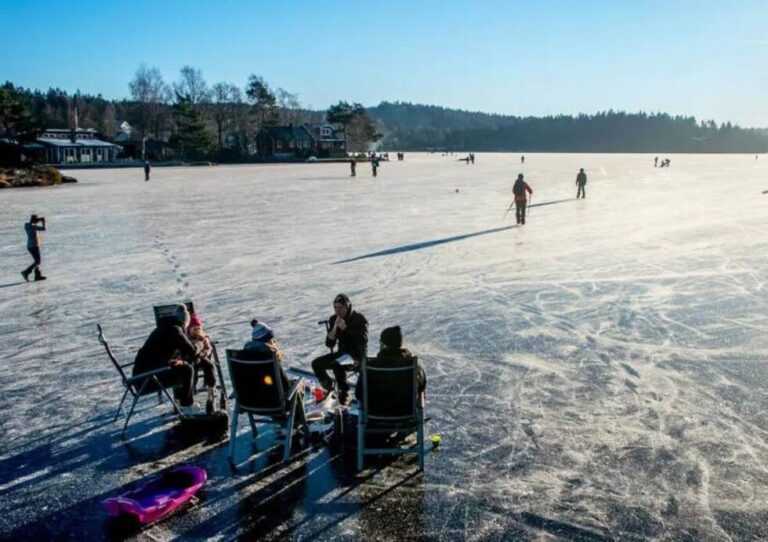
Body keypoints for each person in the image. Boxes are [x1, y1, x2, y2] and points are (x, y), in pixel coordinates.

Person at [133, 304, 200, 414]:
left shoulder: (163, 328)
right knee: (187, 369)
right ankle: (187, 405)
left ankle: (180, 401)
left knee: (180, 366)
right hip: (147, 380)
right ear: (184, 322)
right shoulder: (175, 330)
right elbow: (192, 352)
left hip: (141, 377)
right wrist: (200, 344)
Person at [311, 293, 368, 403]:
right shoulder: (334, 319)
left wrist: (346, 328)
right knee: (316, 363)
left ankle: (344, 392)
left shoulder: (359, 319)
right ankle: (329, 386)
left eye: (340, 308)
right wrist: (334, 330)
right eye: (335, 308)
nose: (338, 311)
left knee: (337, 364)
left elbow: (362, 341)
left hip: (356, 355)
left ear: (347, 306)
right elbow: (329, 344)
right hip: (342, 354)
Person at [355, 326, 426, 406]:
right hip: (405, 414)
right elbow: (421, 387)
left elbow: (358, 394)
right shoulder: (414, 365)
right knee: (421, 393)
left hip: (376, 414)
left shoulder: (370, 366)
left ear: (383, 345)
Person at [242, 320, 291, 392]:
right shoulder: (270, 355)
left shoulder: (243, 357)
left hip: (249, 398)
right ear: (269, 340)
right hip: (274, 398)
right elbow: (286, 386)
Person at [187, 313, 218, 414]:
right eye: (194, 329)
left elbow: (208, 348)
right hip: (191, 360)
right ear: (189, 329)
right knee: (193, 371)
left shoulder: (203, 337)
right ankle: (192, 390)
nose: (196, 331)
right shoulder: (187, 339)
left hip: (202, 357)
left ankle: (211, 389)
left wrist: (205, 353)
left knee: (209, 366)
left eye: (198, 329)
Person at [21, 215, 47, 282]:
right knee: (38, 261)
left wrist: (37, 220)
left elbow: (31, 223)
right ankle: (26, 272)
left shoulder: (27, 225)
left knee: (36, 261)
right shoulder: (33, 226)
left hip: (30, 246)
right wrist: (43, 221)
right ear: (34, 220)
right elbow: (44, 228)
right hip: (34, 246)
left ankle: (37, 275)